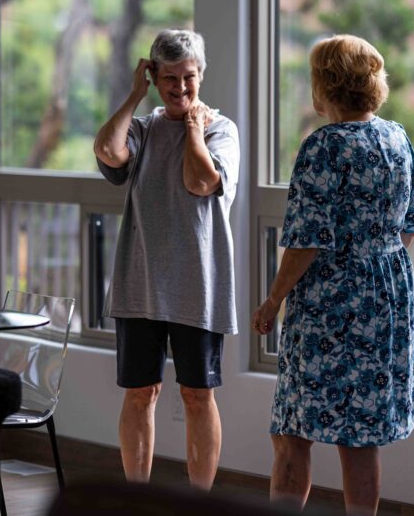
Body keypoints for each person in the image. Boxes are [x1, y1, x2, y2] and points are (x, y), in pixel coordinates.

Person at [252, 34, 414, 516]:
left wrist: (273, 301)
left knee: (290, 431)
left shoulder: (324, 148)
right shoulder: (397, 137)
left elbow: (307, 240)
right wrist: (373, 260)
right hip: (386, 294)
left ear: (324, 85)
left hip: (330, 302)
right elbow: (410, 225)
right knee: (361, 437)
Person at [94, 29, 240, 490]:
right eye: (169, 78)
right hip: (140, 283)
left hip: (199, 285)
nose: (180, 88)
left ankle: (200, 501)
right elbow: (107, 151)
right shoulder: (142, 127)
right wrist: (135, 95)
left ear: (202, 75)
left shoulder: (221, 129)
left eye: (189, 77)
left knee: (198, 395)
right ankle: (137, 497)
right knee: (141, 393)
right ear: (154, 77)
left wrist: (194, 129)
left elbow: (201, 183)